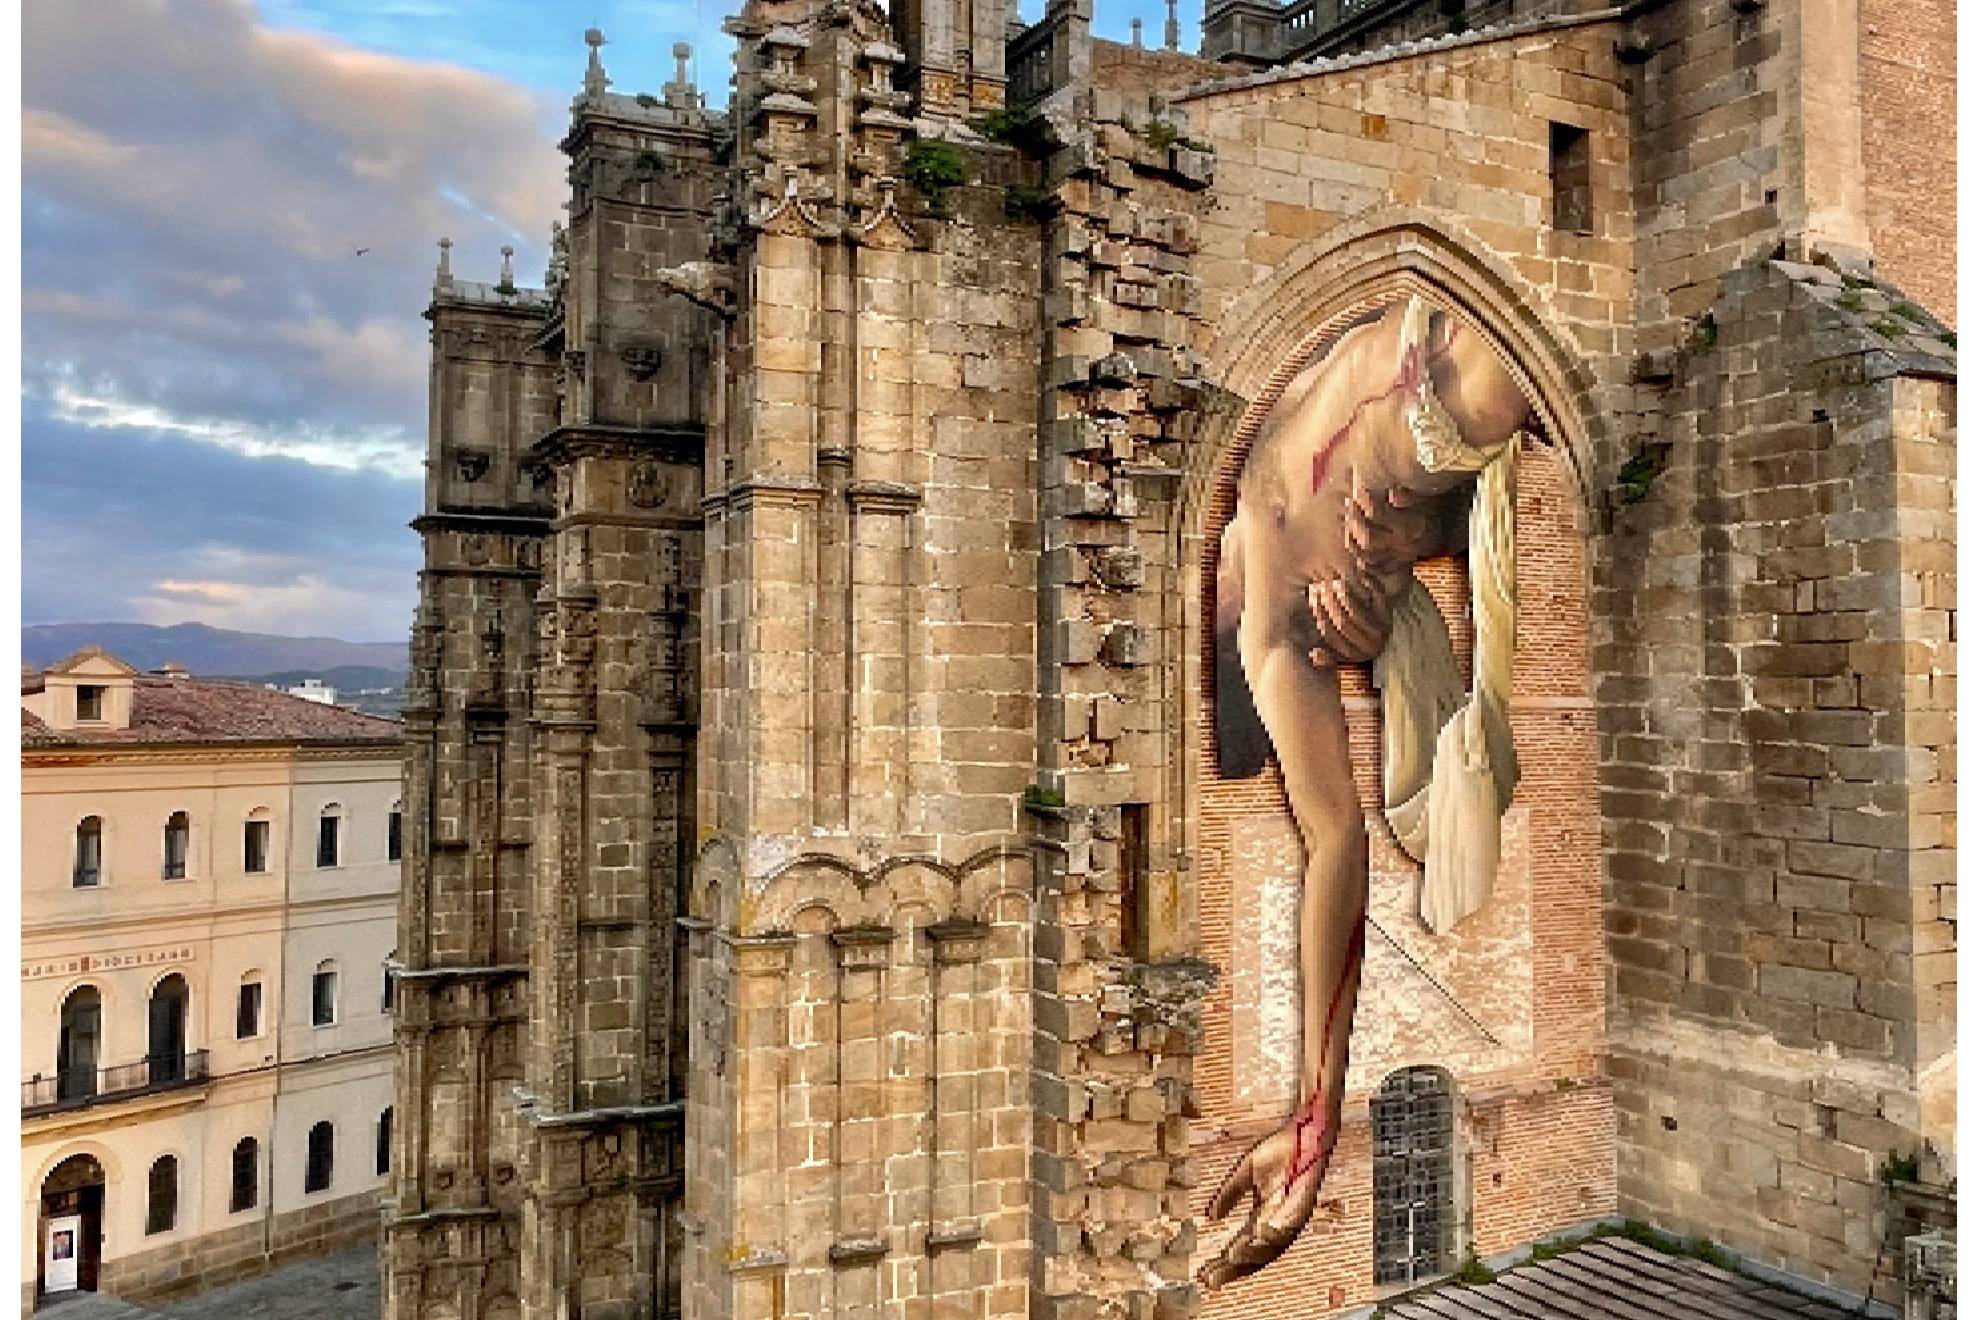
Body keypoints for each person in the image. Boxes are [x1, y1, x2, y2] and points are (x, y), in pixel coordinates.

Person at [1201, 296, 1533, 1290]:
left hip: (1413, 375)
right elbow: (1335, 847)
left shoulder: (1269, 597)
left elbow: (1335, 843)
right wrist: (1312, 1130)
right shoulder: (1275, 638)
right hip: (1417, 408)